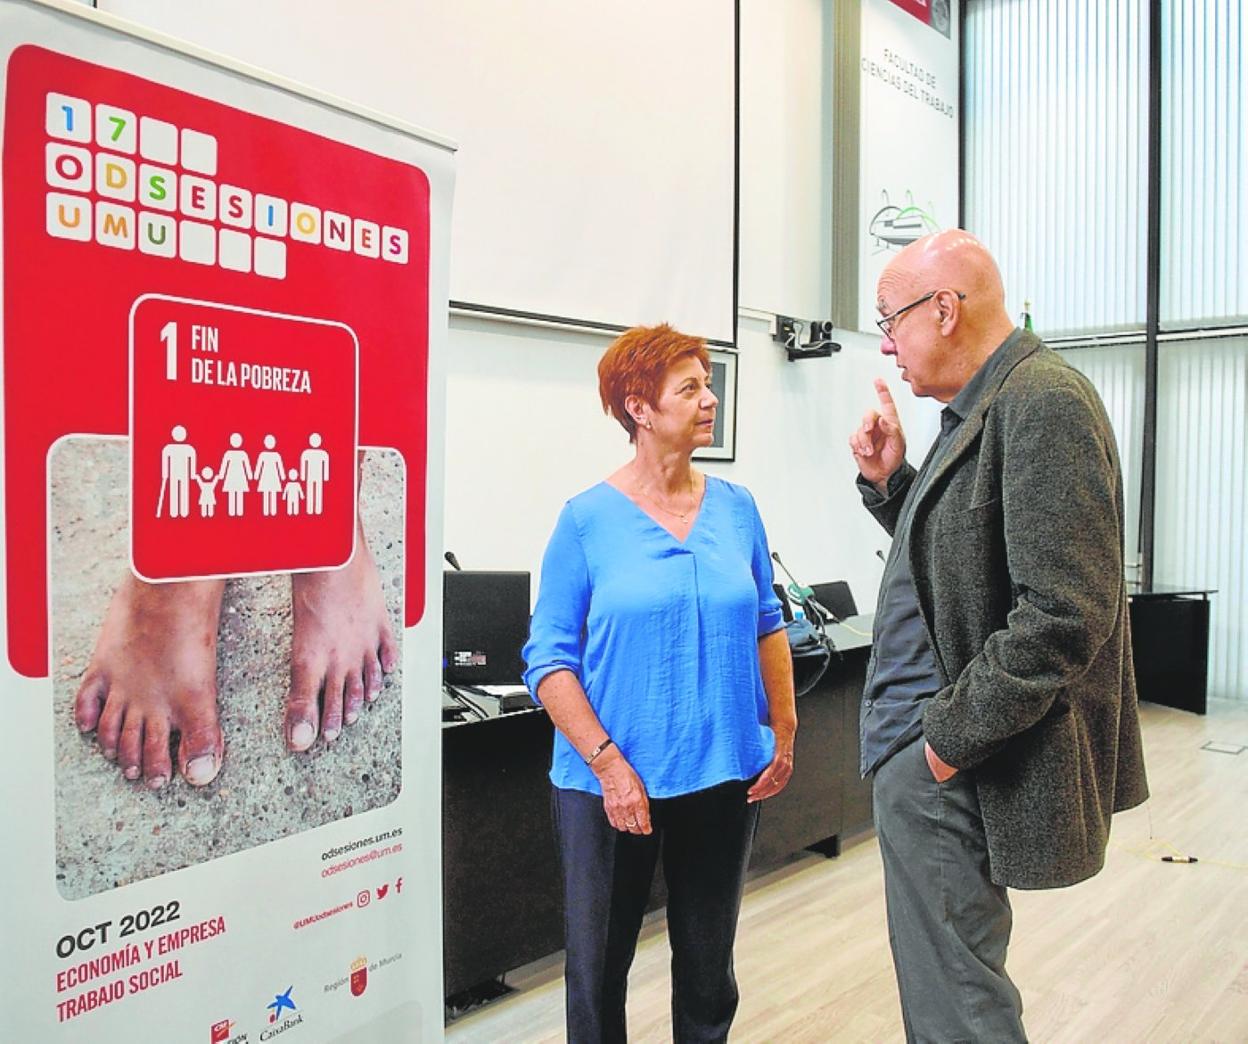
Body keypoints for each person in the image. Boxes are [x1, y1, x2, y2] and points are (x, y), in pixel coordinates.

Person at [848, 229, 1149, 1042]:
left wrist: (944, 742)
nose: (885, 342)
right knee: (944, 989)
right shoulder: (985, 404)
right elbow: (966, 555)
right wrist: (893, 485)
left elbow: (1064, 610)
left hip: (952, 755)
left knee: (958, 1005)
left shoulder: (1041, 399)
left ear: (944, 309)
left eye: (890, 318)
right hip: (927, 750)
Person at [523, 323, 796, 1043]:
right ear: (639, 408)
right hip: (609, 788)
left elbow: (769, 624)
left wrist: (785, 732)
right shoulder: (585, 521)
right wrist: (610, 767)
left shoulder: (737, 508)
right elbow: (548, 663)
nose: (710, 399)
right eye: (691, 388)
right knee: (598, 970)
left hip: (721, 775)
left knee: (709, 969)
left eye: (708, 384)